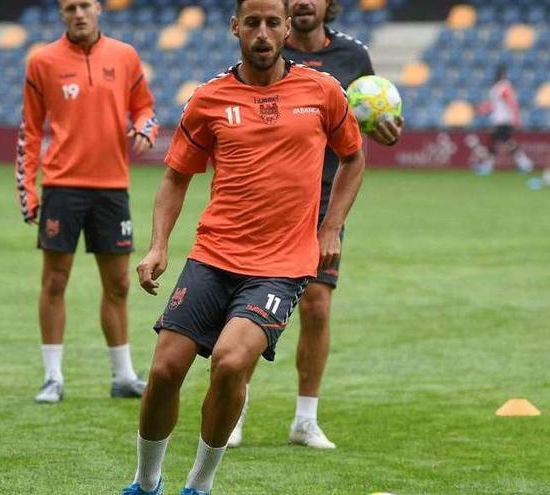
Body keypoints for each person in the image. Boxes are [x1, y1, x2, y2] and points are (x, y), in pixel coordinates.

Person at [121, 0, 366, 493]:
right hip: (212, 256)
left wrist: (331, 226)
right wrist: (157, 247)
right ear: (236, 26)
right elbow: (175, 178)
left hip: (281, 265)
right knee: (166, 368)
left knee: (231, 362)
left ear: (286, 29)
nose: (262, 32)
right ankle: (146, 484)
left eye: (272, 23)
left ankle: (199, 485)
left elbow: (354, 158)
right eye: (251, 22)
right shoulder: (209, 98)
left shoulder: (322, 92)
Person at [227, 0, 402, 450]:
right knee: (249, 308)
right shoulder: (265, 49)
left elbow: (366, 120)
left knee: (317, 306)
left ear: (329, 5)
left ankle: (305, 420)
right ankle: (235, 409)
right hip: (268, 198)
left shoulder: (353, 58)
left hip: (324, 198)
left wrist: (384, 126)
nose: (304, 2)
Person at [16, 0, 158, 403]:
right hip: (62, 186)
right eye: (69, 8)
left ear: (98, 9)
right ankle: (52, 378)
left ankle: (124, 376)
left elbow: (144, 105)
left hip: (112, 187)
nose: (78, 14)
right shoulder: (42, 61)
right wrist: (28, 187)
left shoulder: (125, 56)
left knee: (118, 283)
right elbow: (29, 129)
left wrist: (145, 125)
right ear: (62, 14)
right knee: (55, 281)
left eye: (85, 5)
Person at [473, 66, 533, 176]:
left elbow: (512, 102)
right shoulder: (496, 88)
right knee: (504, 141)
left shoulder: (504, 87)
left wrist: (516, 117)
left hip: (504, 120)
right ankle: (524, 163)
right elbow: (494, 105)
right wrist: (482, 109)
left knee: (498, 141)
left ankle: (523, 163)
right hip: (498, 120)